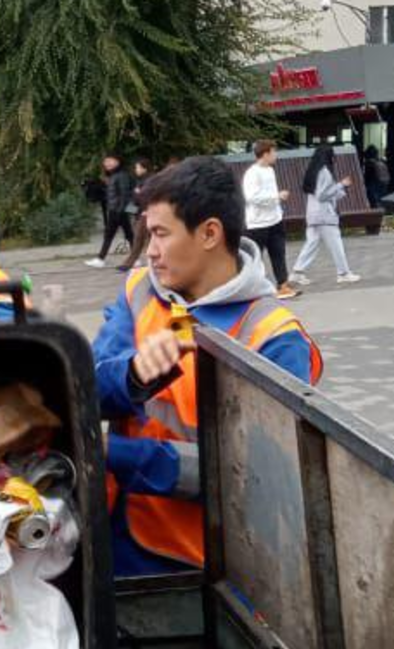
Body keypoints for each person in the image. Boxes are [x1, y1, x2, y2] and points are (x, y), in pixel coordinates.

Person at [93, 156, 321, 576]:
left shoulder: (273, 337)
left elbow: (252, 476)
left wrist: (113, 454)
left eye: (161, 234)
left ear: (210, 233)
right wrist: (132, 375)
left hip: (199, 568)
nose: (151, 252)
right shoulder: (142, 291)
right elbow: (85, 390)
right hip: (117, 540)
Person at [289, 144, 361, 287]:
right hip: (324, 215)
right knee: (336, 244)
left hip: (313, 213)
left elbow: (322, 193)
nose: (334, 158)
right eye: (332, 155)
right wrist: (341, 184)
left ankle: (297, 273)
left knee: (312, 243)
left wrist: (340, 188)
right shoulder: (325, 172)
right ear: (328, 156)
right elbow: (322, 195)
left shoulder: (313, 170)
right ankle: (343, 273)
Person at [243, 140, 300, 301]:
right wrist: (277, 196)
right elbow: (252, 198)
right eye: (274, 152)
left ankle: (283, 285)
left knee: (279, 253)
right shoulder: (252, 173)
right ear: (265, 154)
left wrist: (278, 207)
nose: (276, 155)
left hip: (275, 220)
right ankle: (254, 289)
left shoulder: (270, 170)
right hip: (257, 224)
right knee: (255, 258)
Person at [85, 154, 136, 268]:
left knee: (121, 235)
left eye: (110, 161)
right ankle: (101, 259)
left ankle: (101, 259)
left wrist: (120, 211)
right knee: (123, 234)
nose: (107, 163)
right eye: (105, 161)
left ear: (118, 161)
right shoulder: (114, 175)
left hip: (118, 210)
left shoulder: (121, 175)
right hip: (116, 210)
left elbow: (125, 194)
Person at [118, 158, 155, 271]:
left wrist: (139, 194)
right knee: (143, 239)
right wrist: (131, 211)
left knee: (140, 239)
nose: (136, 170)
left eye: (138, 167)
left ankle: (129, 264)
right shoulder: (140, 180)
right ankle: (130, 263)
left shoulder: (150, 180)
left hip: (146, 213)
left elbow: (147, 197)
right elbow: (135, 198)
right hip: (140, 213)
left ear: (144, 168)